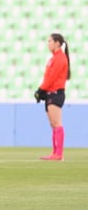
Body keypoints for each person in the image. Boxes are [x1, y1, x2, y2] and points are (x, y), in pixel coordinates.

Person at [34, 33, 70, 161]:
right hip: (51, 92)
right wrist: (44, 91)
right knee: (53, 124)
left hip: (56, 93)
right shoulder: (53, 58)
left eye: (50, 41)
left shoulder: (60, 58)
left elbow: (52, 77)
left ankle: (58, 154)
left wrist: (41, 89)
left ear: (57, 43)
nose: (48, 43)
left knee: (56, 122)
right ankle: (55, 152)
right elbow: (49, 77)